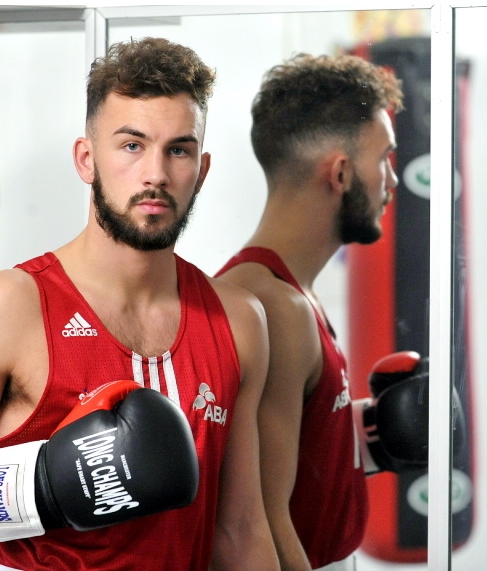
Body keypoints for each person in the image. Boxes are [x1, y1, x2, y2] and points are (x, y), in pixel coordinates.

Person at [0, 37, 280, 571]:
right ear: (86, 159)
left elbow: (241, 530)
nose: (156, 175)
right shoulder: (5, 308)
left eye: (179, 149)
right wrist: (46, 483)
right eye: (131, 145)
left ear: (202, 169)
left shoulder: (237, 321)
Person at [215, 53, 429, 571]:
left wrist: (366, 435)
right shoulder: (270, 304)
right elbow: (259, 521)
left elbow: (286, 460)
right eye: (385, 160)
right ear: (339, 172)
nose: (392, 183)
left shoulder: (289, 293)